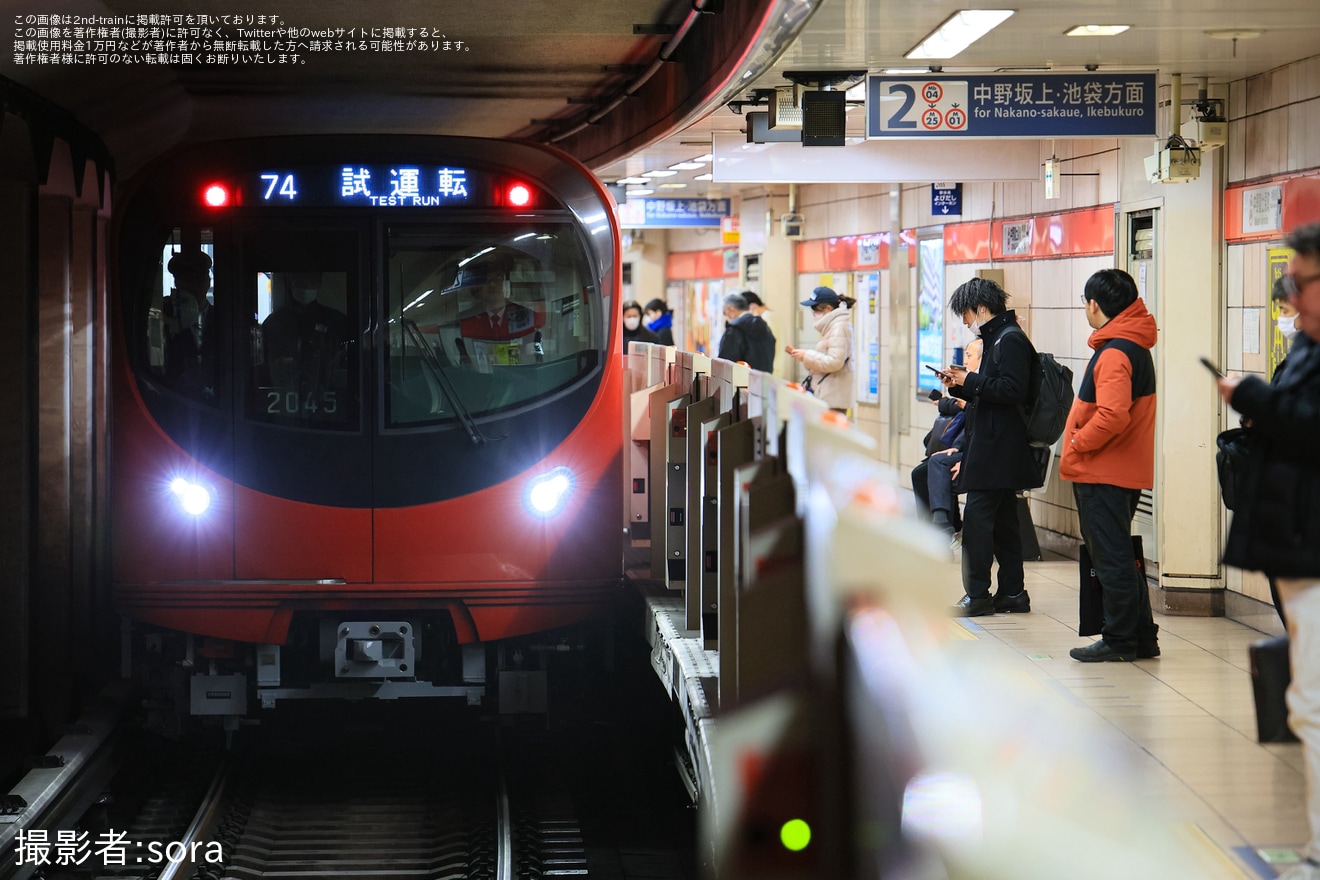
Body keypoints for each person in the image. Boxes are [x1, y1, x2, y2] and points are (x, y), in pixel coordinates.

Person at [1218, 222, 1320, 880]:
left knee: (1314, 702)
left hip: (1314, 545)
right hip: (1300, 545)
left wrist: (1254, 397)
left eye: (1300, 283)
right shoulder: (1309, 347)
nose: (1292, 298)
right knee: (1308, 701)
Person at [1060, 269, 1160, 662]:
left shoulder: (1117, 351)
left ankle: (1119, 639)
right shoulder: (1133, 345)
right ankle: (1141, 636)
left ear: (1094, 305)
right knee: (1121, 554)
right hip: (1117, 470)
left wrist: (1078, 442)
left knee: (1112, 557)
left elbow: (1113, 415)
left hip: (1103, 471)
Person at [938, 277, 1041, 617]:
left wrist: (972, 381)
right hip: (996, 444)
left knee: (979, 523)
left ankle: (978, 594)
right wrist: (961, 385)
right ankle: (1012, 592)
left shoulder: (1008, 339)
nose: (965, 322)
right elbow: (992, 392)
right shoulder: (997, 337)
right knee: (1004, 523)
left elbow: (1012, 391)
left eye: (966, 314)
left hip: (998, 448)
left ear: (981, 308)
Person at [261, 271, 349, 403]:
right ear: (291, 284)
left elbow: (341, 356)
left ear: (319, 285)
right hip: (284, 391)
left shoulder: (335, 320)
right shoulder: (275, 321)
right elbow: (267, 358)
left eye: (311, 284)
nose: (305, 289)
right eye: (301, 284)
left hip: (323, 391)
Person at [785, 286, 855, 414]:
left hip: (833, 399)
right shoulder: (833, 326)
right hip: (827, 396)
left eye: (815, 309)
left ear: (828, 308)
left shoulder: (839, 327)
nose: (813, 314)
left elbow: (835, 362)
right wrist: (805, 356)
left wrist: (807, 355)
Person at [163, 248, 220, 400]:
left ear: (208, 281)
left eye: (197, 278)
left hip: (215, 403)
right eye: (186, 279)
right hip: (174, 400)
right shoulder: (162, 314)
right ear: (177, 283)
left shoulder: (223, 319)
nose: (193, 286)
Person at [717, 292, 776, 372]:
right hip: (763, 381)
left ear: (730, 309)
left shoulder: (734, 331)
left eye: (724, 313)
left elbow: (723, 366)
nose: (726, 318)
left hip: (740, 383)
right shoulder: (765, 328)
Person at [742, 291, 782, 373]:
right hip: (775, 367)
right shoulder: (772, 316)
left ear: (752, 306)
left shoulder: (765, 319)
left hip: (770, 369)